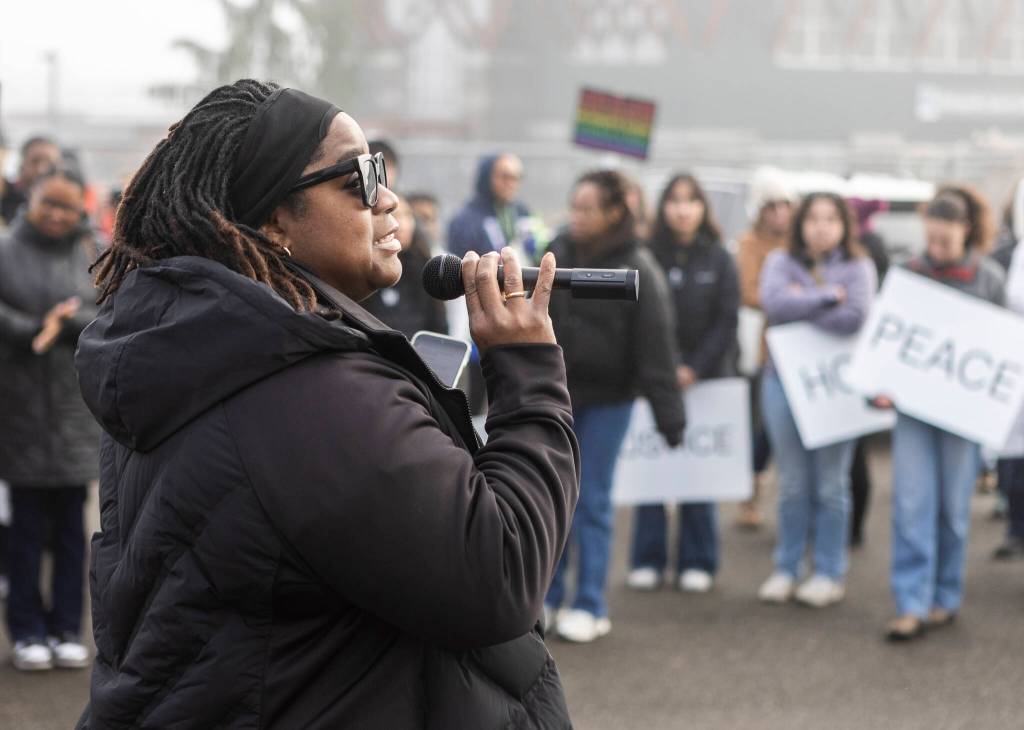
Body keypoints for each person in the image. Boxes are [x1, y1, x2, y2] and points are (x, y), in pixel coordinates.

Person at [74, 80, 578, 729]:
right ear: (275, 218)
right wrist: (529, 371)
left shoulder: (199, 352)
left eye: (385, 173)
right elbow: (500, 573)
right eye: (362, 178)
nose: (390, 198)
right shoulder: (307, 394)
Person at [544, 170, 685, 643]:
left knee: (594, 500)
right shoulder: (556, 251)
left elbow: (656, 344)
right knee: (551, 499)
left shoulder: (637, 264)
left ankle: (590, 604)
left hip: (610, 401)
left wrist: (671, 417)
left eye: (588, 209)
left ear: (613, 213)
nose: (578, 217)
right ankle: (545, 598)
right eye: (574, 207)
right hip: (558, 395)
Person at [872, 187, 1005, 641]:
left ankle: (944, 596)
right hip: (914, 410)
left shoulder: (987, 278)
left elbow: (1001, 350)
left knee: (952, 509)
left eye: (947, 235)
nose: (938, 244)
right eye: (932, 234)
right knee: (911, 503)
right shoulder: (906, 272)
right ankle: (910, 600)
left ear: (966, 229)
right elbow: (884, 343)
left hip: (962, 414)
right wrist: (880, 388)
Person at [0, 166, 100, 672]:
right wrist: (29, 328)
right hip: (16, 408)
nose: (58, 215)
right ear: (31, 201)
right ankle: (26, 630)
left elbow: (112, 311)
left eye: (67, 206)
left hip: (74, 409)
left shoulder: (91, 253)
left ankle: (65, 628)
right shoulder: (4, 251)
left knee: (70, 531)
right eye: (49, 204)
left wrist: (69, 323)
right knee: (23, 528)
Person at [757, 192, 876, 608]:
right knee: (792, 484)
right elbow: (774, 304)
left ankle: (828, 571)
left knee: (831, 484)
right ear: (799, 224)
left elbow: (856, 317)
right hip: (782, 383)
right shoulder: (778, 261)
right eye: (813, 218)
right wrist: (828, 296)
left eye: (831, 219)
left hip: (833, 389)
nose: (821, 226)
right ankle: (786, 567)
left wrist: (801, 301)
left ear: (845, 224)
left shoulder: (858, 267)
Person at [627, 174, 738, 594]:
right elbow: (641, 317)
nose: (682, 208)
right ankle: (647, 557)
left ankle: (698, 559)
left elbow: (726, 320)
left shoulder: (719, 258)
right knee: (651, 473)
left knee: (697, 474)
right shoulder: (645, 255)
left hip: (705, 380)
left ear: (703, 208)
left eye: (691, 201)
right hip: (656, 379)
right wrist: (665, 368)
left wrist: (694, 367)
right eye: (674, 200)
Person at [735, 170, 796, 528]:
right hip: (767, 348)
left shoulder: (800, 242)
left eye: (786, 204)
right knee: (762, 428)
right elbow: (748, 290)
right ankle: (750, 495)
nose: (779, 213)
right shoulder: (749, 244)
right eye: (772, 205)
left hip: (804, 348)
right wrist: (793, 301)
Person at [845, 198, 892, 547]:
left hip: (854, 367)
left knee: (853, 460)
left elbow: (859, 312)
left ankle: (852, 531)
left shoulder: (863, 260)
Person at [361, 194, 448, 337]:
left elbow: (439, 325)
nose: (402, 224)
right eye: (394, 214)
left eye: (408, 215)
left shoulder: (426, 266)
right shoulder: (363, 270)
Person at [448, 153, 541, 261]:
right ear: (487, 177)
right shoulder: (465, 220)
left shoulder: (521, 212)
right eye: (505, 177)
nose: (512, 184)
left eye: (516, 178)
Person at [1, 136, 62, 225]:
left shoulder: (63, 207)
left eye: (49, 163)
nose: (42, 169)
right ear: (22, 164)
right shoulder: (5, 194)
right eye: (35, 161)